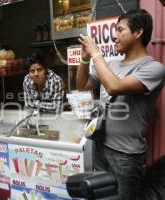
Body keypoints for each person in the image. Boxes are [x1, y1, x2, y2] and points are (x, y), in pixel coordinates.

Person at [76, 9, 165, 200]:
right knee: (99, 197)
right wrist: (85, 58)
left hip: (126, 155)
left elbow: (114, 86)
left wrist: (96, 53)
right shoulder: (111, 64)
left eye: (120, 30)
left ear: (138, 32)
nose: (114, 37)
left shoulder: (153, 68)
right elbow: (82, 85)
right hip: (99, 145)